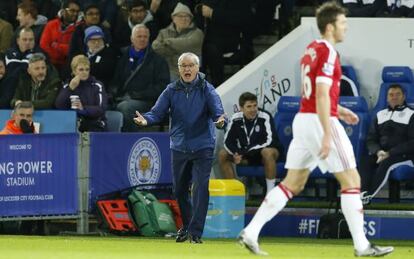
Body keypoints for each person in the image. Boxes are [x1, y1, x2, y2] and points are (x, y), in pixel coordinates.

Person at [238, 2, 394, 257]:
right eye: (343, 23)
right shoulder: (329, 52)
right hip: (319, 122)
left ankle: (251, 232)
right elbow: (321, 94)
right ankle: (362, 246)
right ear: (331, 26)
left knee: (293, 183)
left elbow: (312, 92)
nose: (346, 28)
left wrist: (340, 110)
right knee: (352, 180)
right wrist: (326, 131)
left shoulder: (310, 50)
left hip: (304, 119)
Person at [133, 52, 226, 244]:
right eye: (183, 66)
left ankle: (195, 233)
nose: (187, 69)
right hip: (179, 146)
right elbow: (156, 113)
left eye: (190, 65)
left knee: (200, 188)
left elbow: (219, 114)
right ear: (179, 69)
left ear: (197, 68)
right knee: (180, 190)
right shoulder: (171, 90)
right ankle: (187, 226)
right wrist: (146, 120)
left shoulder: (208, 90)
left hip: (203, 146)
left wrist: (220, 122)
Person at [218, 92, 282, 194]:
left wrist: (244, 152)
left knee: (267, 152)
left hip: (265, 153)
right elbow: (228, 141)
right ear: (241, 108)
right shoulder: (236, 118)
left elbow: (269, 140)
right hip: (247, 155)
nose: (253, 109)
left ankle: (270, 193)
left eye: (255, 106)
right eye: (249, 107)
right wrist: (236, 153)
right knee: (223, 154)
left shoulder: (265, 116)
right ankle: (235, 192)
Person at [360, 84, 414, 204]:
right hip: (382, 153)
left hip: (404, 155)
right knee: (365, 161)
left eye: (398, 94)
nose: (394, 97)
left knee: (386, 163)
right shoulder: (380, 115)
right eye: (391, 95)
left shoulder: (411, 114)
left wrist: (390, 153)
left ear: (404, 97)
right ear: (387, 98)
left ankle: (368, 197)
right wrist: (378, 151)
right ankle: (362, 192)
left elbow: (412, 143)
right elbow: (371, 139)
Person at [111, 24, 169, 132]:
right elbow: (116, 82)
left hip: (149, 101)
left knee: (125, 108)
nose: (142, 39)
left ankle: (130, 140)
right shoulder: (122, 58)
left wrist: (136, 95)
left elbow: (162, 88)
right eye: (139, 36)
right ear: (132, 39)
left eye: (145, 37)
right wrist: (112, 95)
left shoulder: (158, 61)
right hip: (123, 97)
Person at [152, 2, 204, 81]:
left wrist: (168, 42)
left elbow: (189, 44)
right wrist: (179, 50)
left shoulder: (197, 33)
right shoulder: (164, 32)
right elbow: (155, 47)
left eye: (187, 16)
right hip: (169, 70)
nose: (184, 19)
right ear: (173, 18)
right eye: (180, 16)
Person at [55, 54, 107, 132]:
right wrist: (70, 89)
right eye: (81, 70)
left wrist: (82, 108)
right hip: (72, 123)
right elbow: (59, 105)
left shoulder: (97, 85)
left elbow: (101, 108)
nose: (84, 72)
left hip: (95, 123)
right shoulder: (67, 85)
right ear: (74, 71)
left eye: (87, 69)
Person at [39, 0, 80, 73]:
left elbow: (73, 49)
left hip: (69, 64)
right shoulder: (51, 24)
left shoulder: (79, 28)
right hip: (50, 63)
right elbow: (44, 45)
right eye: (72, 11)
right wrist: (57, 55)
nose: (75, 14)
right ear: (63, 11)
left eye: (77, 11)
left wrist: (57, 46)